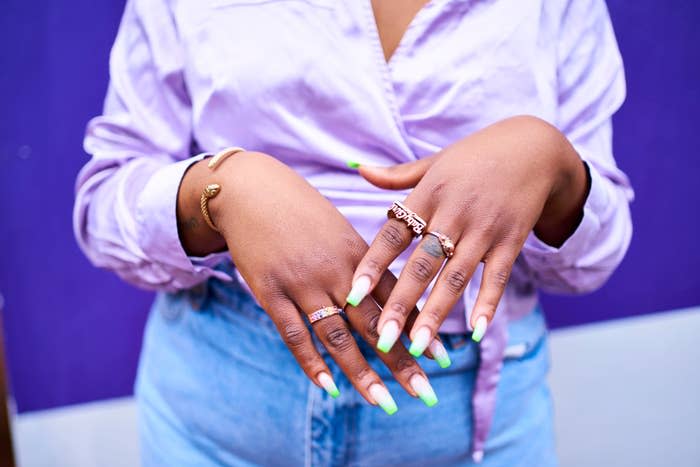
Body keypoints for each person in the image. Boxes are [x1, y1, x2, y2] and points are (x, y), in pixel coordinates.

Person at [73, 0, 633, 465]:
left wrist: (554, 166)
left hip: (467, 416)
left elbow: (590, 261)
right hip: (223, 400)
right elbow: (103, 204)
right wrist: (218, 189)